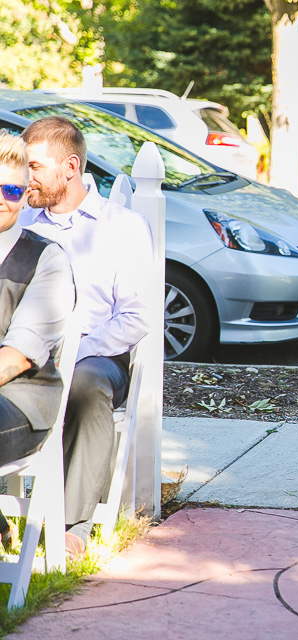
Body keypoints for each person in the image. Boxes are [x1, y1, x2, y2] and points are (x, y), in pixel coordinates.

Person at [20, 116, 152, 554]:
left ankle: (72, 528)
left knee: (85, 382)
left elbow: (136, 317)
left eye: (34, 166)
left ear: (70, 167)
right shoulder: (21, 222)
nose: (25, 176)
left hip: (98, 357)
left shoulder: (122, 227)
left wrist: (76, 353)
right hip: (27, 351)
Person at [0, 130, 74, 548]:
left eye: (10, 189)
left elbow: (16, 357)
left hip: (22, 401)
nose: (1, 198)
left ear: (25, 193)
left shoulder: (46, 259)